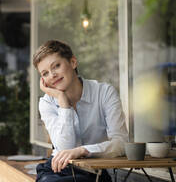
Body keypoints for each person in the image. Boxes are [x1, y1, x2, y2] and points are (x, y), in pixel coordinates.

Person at [33, 40, 128, 182]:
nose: (52, 75)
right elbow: (65, 147)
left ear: (73, 62)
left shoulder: (104, 93)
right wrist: (62, 100)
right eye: (45, 73)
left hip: (94, 171)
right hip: (58, 170)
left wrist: (84, 150)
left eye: (56, 66)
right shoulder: (47, 102)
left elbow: (121, 143)